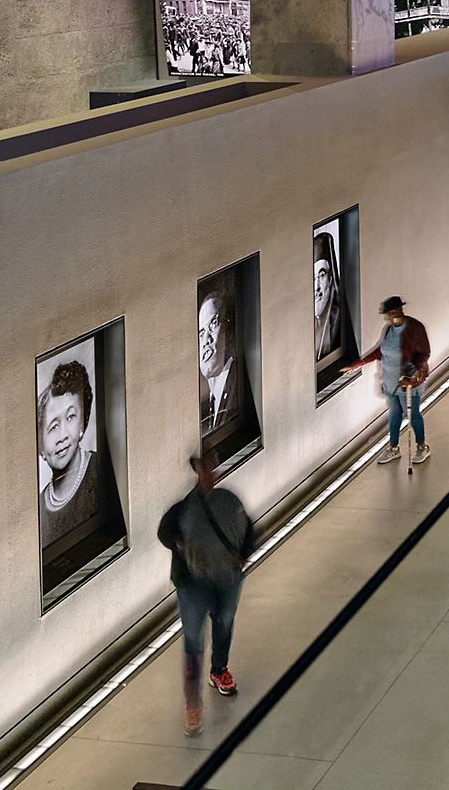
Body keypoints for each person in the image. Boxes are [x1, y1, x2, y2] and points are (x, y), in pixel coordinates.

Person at [158, 454, 255, 735]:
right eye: (205, 469)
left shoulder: (228, 501)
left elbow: (249, 529)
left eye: (212, 469)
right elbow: (164, 533)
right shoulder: (184, 509)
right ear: (197, 472)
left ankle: (219, 670)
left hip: (226, 580)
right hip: (193, 585)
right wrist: (180, 545)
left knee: (223, 623)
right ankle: (193, 705)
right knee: (193, 641)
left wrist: (242, 556)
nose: (211, 474)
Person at [352, 295, 433, 465]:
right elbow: (380, 351)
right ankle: (393, 448)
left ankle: (422, 446)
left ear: (396, 312)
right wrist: (359, 364)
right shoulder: (388, 329)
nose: (385, 318)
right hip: (390, 382)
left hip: (407, 382)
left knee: (412, 415)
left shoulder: (415, 328)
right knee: (394, 414)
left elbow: (424, 353)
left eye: (387, 314)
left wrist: (412, 374)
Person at [38, 359, 105, 549]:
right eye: (53, 426)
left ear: (82, 424)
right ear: (40, 447)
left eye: (70, 417)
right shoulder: (39, 509)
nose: (63, 436)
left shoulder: (103, 470)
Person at [197, 288, 252, 452]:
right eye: (201, 333)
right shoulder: (207, 409)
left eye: (213, 324)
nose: (206, 340)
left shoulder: (240, 389)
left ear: (229, 332)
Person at [312, 234, 356, 368]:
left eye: (322, 275)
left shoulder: (340, 319)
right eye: (313, 278)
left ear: (331, 278)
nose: (317, 287)